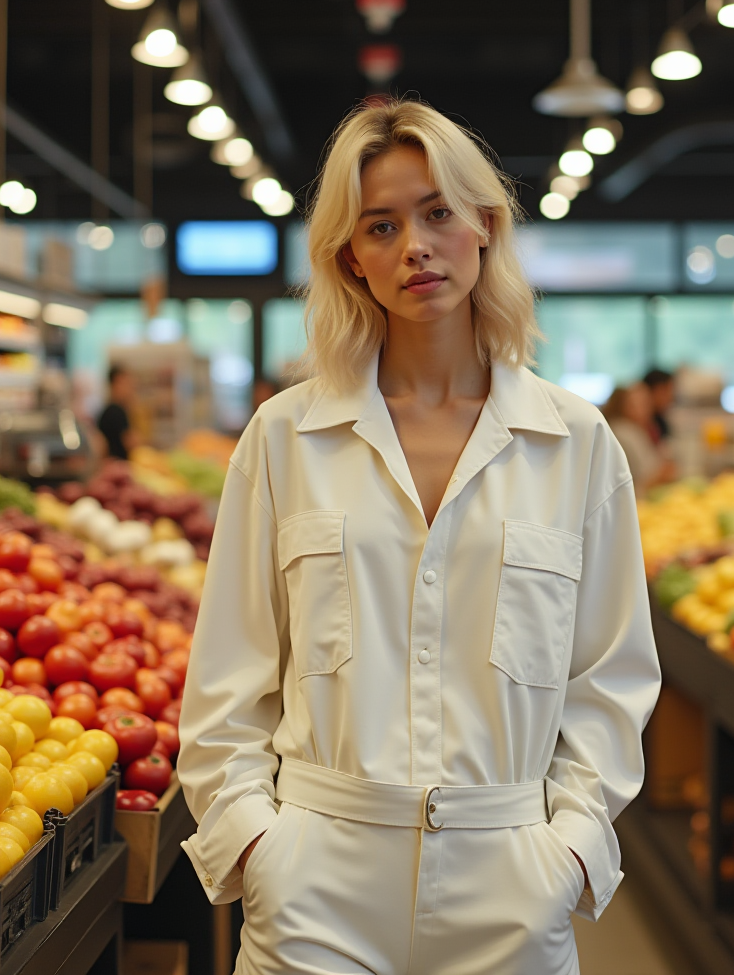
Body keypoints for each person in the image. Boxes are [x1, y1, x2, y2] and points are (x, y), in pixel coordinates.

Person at [176, 99, 661, 975]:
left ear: (484, 224)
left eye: (438, 212)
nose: (416, 246)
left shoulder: (577, 444)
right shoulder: (285, 439)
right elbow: (228, 678)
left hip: (511, 875)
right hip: (317, 876)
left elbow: (611, 677)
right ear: (350, 259)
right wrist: (256, 848)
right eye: (381, 226)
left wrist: (572, 850)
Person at [604, 383, 676, 495]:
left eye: (646, 404)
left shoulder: (643, 429)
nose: (644, 410)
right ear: (622, 406)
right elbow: (646, 479)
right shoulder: (625, 432)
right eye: (636, 405)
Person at [96, 365, 139, 459]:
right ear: (115, 383)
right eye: (127, 383)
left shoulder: (111, 409)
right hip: (117, 466)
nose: (131, 389)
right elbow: (131, 444)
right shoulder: (115, 411)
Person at [643, 368, 675, 443]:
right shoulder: (638, 427)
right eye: (668, 391)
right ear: (657, 390)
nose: (671, 398)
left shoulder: (660, 422)